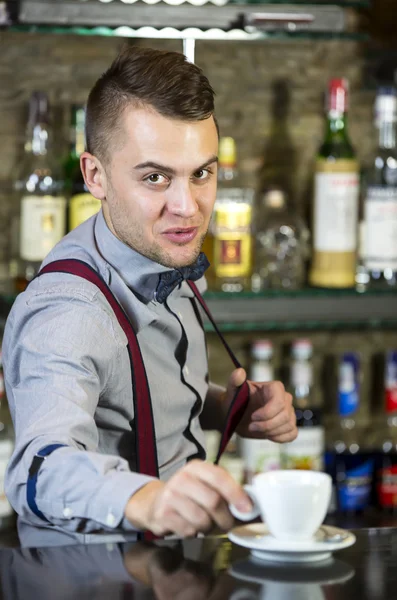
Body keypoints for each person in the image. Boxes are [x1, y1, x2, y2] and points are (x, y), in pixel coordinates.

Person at [3, 46, 297, 547]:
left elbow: (133, 391)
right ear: (94, 176)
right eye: (155, 177)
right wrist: (146, 500)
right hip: (98, 580)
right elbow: (39, 470)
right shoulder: (69, 311)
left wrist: (225, 407)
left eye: (201, 173)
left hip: (177, 569)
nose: (187, 208)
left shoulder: (160, 250)